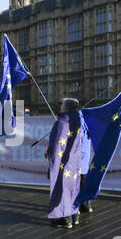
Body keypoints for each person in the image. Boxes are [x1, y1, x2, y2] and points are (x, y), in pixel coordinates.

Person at [45, 98, 81, 229]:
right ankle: (74, 215)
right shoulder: (79, 121)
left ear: (65, 108)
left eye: (62, 105)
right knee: (73, 186)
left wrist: (51, 156)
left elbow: (56, 143)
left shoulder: (61, 122)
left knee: (61, 186)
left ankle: (65, 219)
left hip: (62, 161)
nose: (60, 107)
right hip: (74, 160)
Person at [79, 113, 93, 213]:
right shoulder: (87, 122)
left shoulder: (78, 122)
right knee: (84, 182)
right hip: (84, 158)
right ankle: (86, 205)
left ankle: (76, 207)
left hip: (77, 159)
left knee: (76, 184)